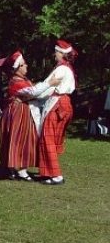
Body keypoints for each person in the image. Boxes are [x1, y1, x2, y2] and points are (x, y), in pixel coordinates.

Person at [0, 51, 56, 181]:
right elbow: (33, 92)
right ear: (17, 69)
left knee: (24, 139)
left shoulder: (24, 80)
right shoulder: (16, 82)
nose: (26, 66)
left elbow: (36, 93)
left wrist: (53, 89)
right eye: (23, 65)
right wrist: (50, 83)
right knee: (18, 139)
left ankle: (17, 168)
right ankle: (16, 169)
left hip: (24, 111)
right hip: (17, 112)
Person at [36, 40, 77, 185]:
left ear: (62, 54)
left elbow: (47, 86)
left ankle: (55, 174)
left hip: (57, 104)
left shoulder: (61, 70)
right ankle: (48, 172)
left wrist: (32, 94)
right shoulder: (67, 68)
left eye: (57, 52)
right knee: (51, 139)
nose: (54, 55)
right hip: (63, 103)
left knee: (48, 138)